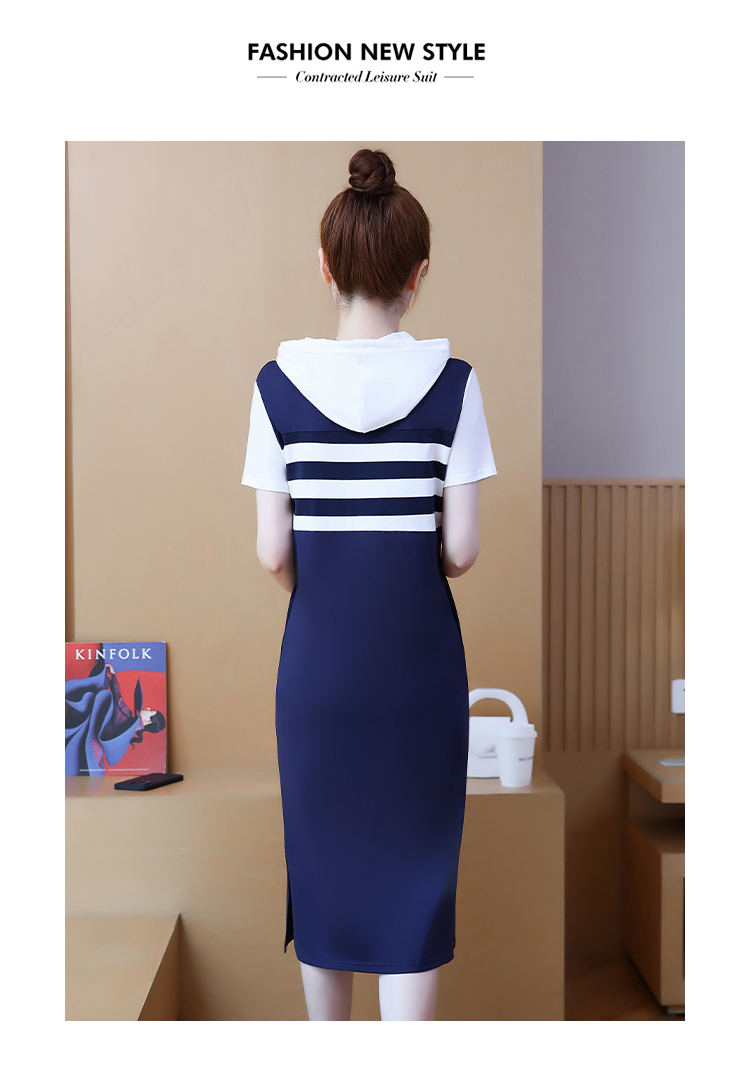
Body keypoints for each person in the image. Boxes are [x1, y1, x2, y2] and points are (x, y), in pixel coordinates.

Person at [241, 148, 496, 1021]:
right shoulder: (454, 386)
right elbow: (461, 549)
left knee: (325, 874)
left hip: (318, 674)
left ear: (327, 267)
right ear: (418, 275)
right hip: (418, 674)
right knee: (414, 881)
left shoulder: (275, 388)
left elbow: (273, 553)